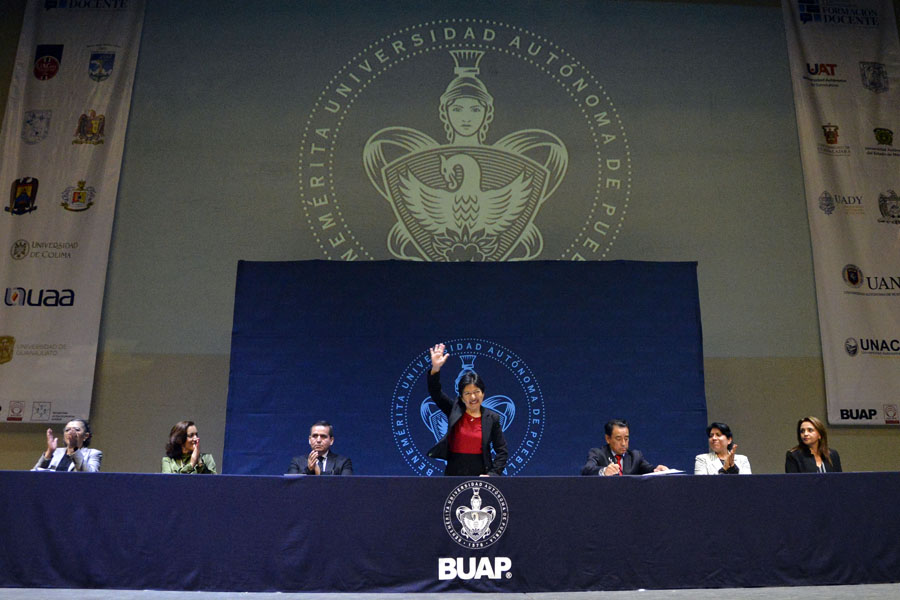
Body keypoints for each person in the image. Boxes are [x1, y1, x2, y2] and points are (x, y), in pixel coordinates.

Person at [426, 343, 508, 476]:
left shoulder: (492, 417)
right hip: (454, 471)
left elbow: (502, 451)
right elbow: (435, 392)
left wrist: (493, 474)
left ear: (483, 393)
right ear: (462, 396)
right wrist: (435, 368)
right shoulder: (454, 409)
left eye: (477, 391)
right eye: (467, 393)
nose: (473, 397)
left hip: (481, 472)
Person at [581, 419, 669, 476]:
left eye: (626, 439)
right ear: (608, 439)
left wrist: (656, 470)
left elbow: (648, 468)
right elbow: (586, 470)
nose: (623, 443)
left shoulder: (635, 456)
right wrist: (604, 471)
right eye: (618, 439)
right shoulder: (598, 453)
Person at [33, 419, 102, 472]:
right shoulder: (56, 452)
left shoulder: (93, 453)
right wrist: (49, 451)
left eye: (76, 430)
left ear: (86, 436)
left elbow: (90, 476)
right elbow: (33, 474)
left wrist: (73, 448)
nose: (71, 432)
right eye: (67, 430)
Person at [287, 421, 353, 475]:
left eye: (323, 436)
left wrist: (319, 473)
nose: (318, 440)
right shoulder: (297, 462)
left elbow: (346, 486)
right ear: (309, 440)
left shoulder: (343, 462)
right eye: (315, 436)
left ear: (331, 440)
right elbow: (292, 486)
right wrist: (309, 469)